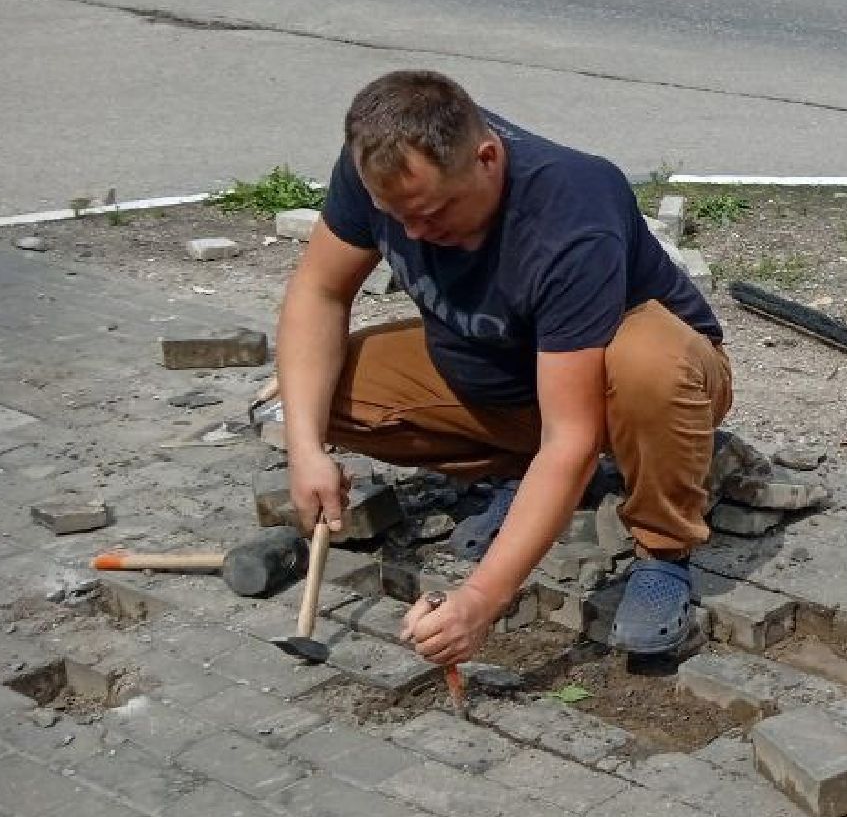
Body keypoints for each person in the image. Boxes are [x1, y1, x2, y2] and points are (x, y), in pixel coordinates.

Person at [275, 70, 731, 665]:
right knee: (314, 391)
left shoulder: (570, 216)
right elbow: (319, 292)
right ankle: (524, 478)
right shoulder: (383, 168)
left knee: (650, 366)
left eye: (432, 213)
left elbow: (570, 436)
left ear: (487, 159)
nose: (413, 235)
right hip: (514, 371)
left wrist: (480, 600)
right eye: (396, 216)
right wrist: (304, 448)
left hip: (647, 375)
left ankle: (663, 551)